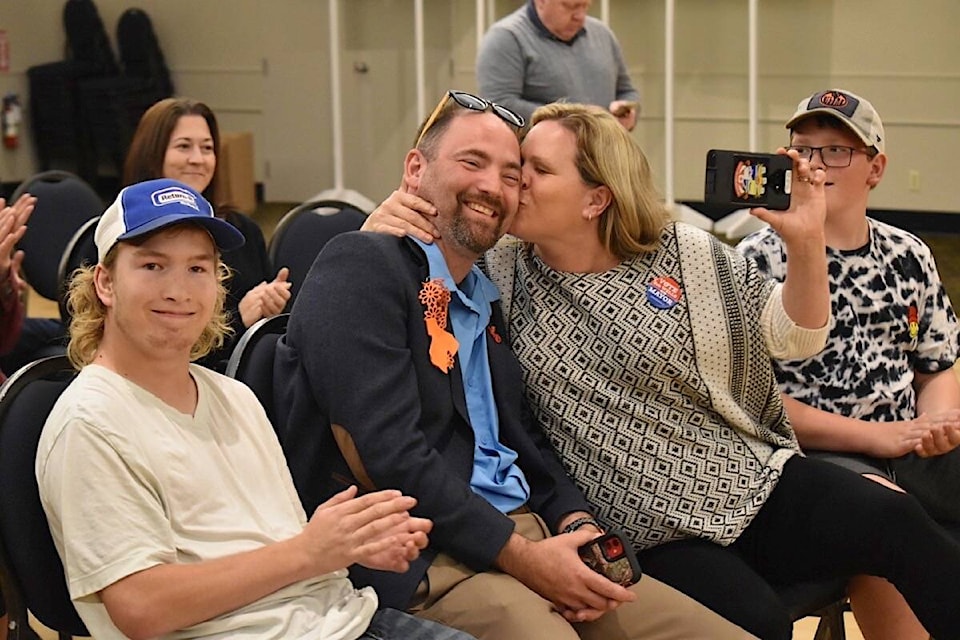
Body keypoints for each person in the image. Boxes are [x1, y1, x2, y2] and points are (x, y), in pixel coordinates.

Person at [361, 101, 960, 640]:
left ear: (597, 198)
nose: (514, 185)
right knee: (761, 624)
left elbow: (794, 337)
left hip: (745, 478)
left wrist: (805, 244)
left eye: (535, 171)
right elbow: (412, 262)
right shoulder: (500, 266)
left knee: (895, 519)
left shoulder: (682, 253)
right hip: (641, 523)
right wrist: (382, 224)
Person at [274, 90, 752, 639]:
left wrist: (575, 521)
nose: (492, 186)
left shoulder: (485, 292)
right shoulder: (363, 264)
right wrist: (526, 559)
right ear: (414, 169)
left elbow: (526, 438)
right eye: (472, 162)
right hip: (429, 553)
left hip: (532, 532)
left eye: (510, 174)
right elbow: (393, 456)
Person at [36, 178, 475, 640]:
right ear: (105, 282)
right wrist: (311, 551)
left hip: (341, 619)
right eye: (152, 266)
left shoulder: (233, 397)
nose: (179, 291)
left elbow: (276, 550)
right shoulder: (90, 423)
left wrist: (349, 544)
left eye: (197, 269)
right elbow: (141, 607)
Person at [737, 88, 960, 639]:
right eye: (802, 149)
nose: (815, 165)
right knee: (883, 519)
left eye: (836, 151)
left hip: (907, 439)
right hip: (811, 454)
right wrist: (874, 438)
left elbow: (937, 364)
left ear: (875, 168)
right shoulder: (756, 257)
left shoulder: (908, 254)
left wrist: (935, 422)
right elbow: (752, 399)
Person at [124, 97, 291, 371]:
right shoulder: (124, 231)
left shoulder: (240, 228)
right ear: (152, 153)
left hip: (239, 375)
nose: (197, 159)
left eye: (207, 148)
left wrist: (269, 305)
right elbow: (150, 344)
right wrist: (239, 319)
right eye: (183, 147)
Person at [477, 0, 639, 130]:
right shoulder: (506, 38)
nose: (580, 16)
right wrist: (576, 120)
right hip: (542, 161)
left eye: (585, 6)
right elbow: (499, 105)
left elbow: (627, 91)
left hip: (603, 158)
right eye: (571, 6)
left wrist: (629, 111)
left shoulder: (602, 34)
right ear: (541, 2)